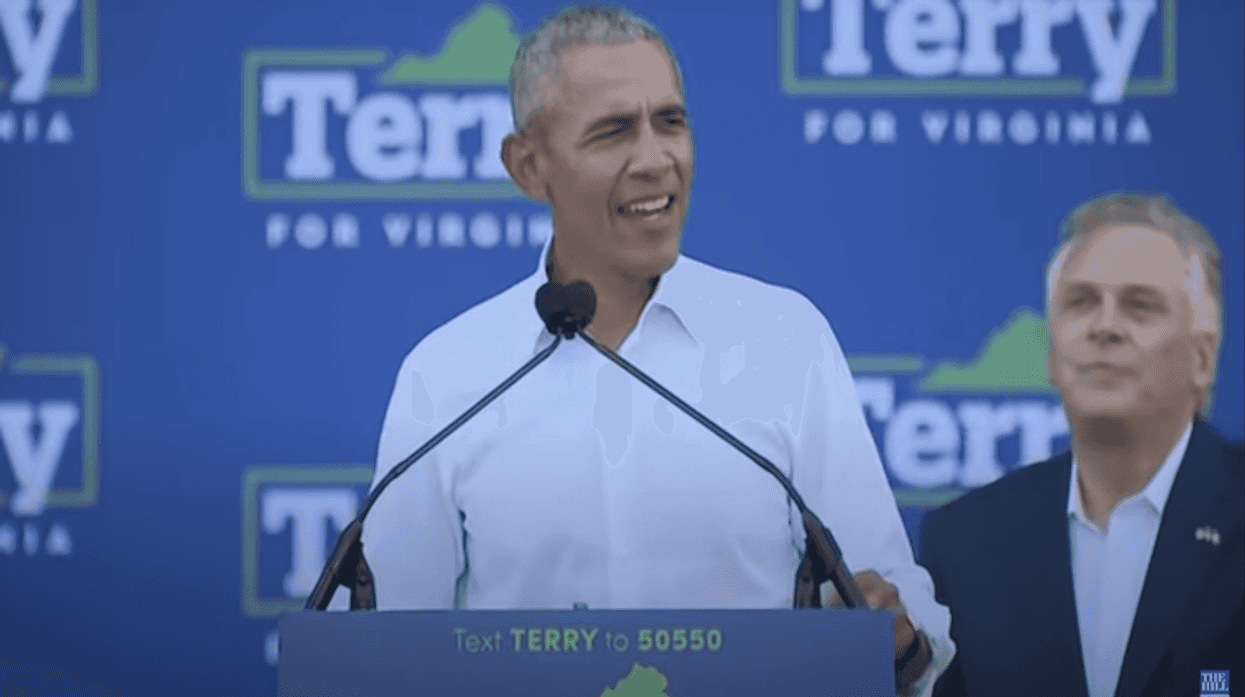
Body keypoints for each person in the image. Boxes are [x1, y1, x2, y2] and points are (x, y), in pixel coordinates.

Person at [361, 6, 952, 693]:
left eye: (669, 122)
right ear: (528, 165)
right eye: (613, 132)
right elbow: (387, 650)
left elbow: (890, 603)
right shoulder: (447, 374)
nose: (654, 159)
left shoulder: (785, 339)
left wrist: (894, 626)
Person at [920, 193, 1243, 697]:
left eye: (1139, 306)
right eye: (1080, 303)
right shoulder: (966, 542)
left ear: (1203, 357)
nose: (1104, 327)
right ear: (1053, 355)